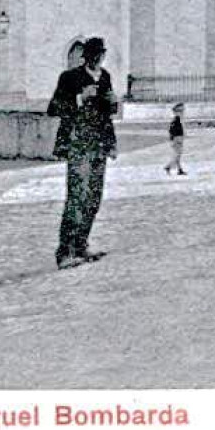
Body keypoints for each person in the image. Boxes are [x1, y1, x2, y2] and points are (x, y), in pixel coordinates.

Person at [47, 36, 119, 269]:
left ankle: (81, 244)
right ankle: (64, 251)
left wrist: (112, 103)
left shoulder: (105, 76)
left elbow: (108, 115)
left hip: (99, 145)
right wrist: (80, 97)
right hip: (78, 145)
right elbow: (54, 107)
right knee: (77, 197)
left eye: (102, 53)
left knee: (94, 197)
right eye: (95, 54)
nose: (99, 58)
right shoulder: (69, 78)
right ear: (86, 55)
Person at [164, 102, 187, 175]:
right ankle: (168, 166)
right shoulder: (176, 119)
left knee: (177, 155)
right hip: (177, 139)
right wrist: (177, 138)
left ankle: (179, 169)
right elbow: (172, 130)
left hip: (177, 138)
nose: (183, 112)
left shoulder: (177, 119)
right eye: (182, 110)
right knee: (177, 154)